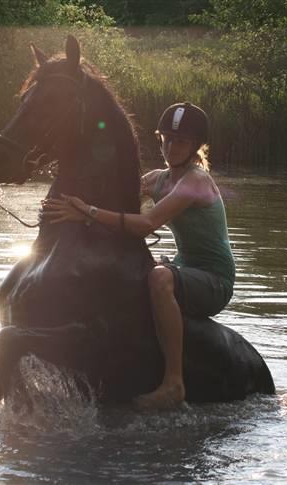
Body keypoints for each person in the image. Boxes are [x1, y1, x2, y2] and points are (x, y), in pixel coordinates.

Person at [42, 102, 235, 409]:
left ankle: (174, 382)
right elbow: (113, 195)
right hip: (184, 266)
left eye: (180, 141)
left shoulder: (195, 181)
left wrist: (87, 213)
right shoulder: (159, 178)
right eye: (166, 139)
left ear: (196, 146)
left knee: (159, 278)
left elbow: (146, 224)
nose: (171, 147)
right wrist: (72, 178)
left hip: (214, 279)